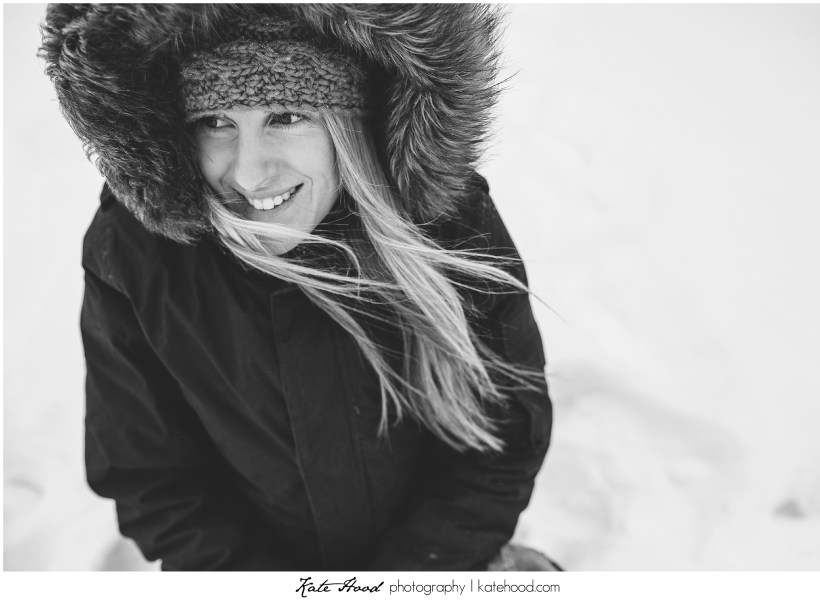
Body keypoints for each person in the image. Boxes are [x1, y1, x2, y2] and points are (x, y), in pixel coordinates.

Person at [40, 4, 557, 571]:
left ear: (350, 125)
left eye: (286, 117)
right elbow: (154, 478)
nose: (248, 173)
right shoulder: (140, 255)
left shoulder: (445, 226)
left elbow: (502, 442)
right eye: (215, 122)